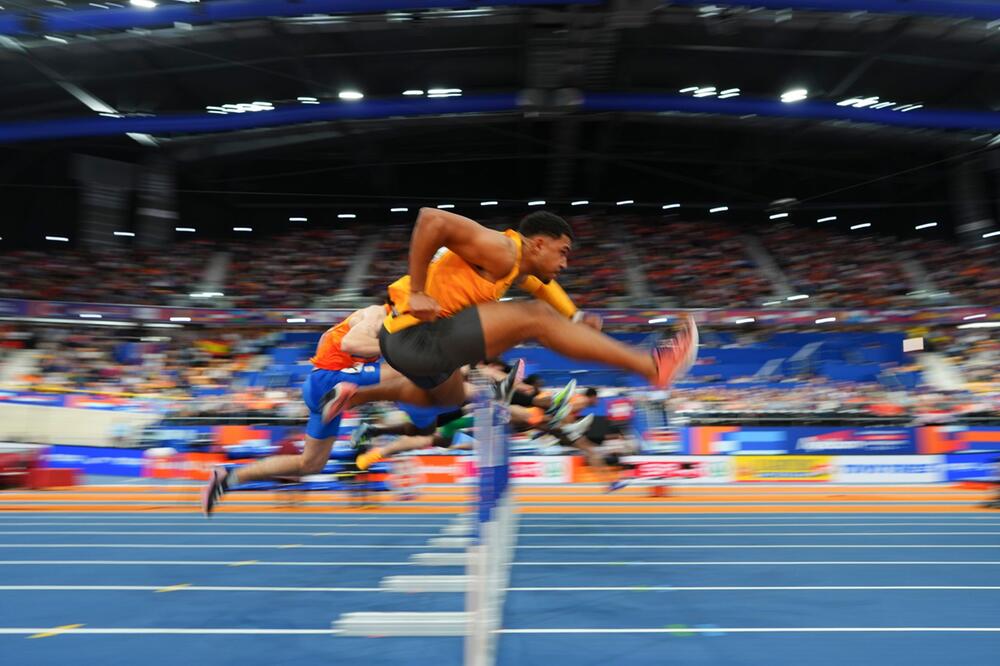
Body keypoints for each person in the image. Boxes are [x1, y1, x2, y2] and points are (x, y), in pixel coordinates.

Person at [320, 208, 698, 422]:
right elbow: (430, 220)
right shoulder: (501, 249)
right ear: (538, 243)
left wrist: (575, 316)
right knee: (534, 318)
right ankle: (652, 367)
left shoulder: (517, 268)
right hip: (413, 333)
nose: (565, 263)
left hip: (420, 351)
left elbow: (541, 285)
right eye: (562, 252)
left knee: (446, 398)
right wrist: (418, 291)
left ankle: (353, 397)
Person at [199, 304, 524, 516]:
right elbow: (350, 345)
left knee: (310, 464)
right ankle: (490, 391)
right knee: (416, 369)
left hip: (329, 392)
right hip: (331, 380)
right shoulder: (376, 314)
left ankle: (228, 478)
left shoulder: (401, 330)